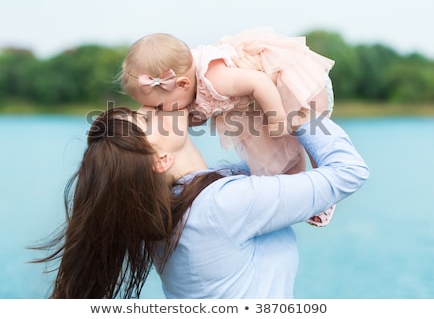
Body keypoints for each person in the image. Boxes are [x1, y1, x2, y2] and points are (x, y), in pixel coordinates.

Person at [33, 104, 369, 299]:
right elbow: (349, 171)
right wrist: (300, 109)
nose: (153, 106)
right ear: (160, 159)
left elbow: (259, 170)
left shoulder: (178, 205)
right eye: (148, 120)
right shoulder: (221, 205)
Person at [119, 27, 336, 226]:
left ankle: (324, 188)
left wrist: (277, 120)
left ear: (182, 84)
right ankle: (296, 192)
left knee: (308, 135)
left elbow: (259, 83)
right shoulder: (186, 85)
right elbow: (204, 107)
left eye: (158, 105)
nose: (160, 111)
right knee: (276, 153)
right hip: (258, 102)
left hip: (285, 84)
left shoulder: (216, 77)